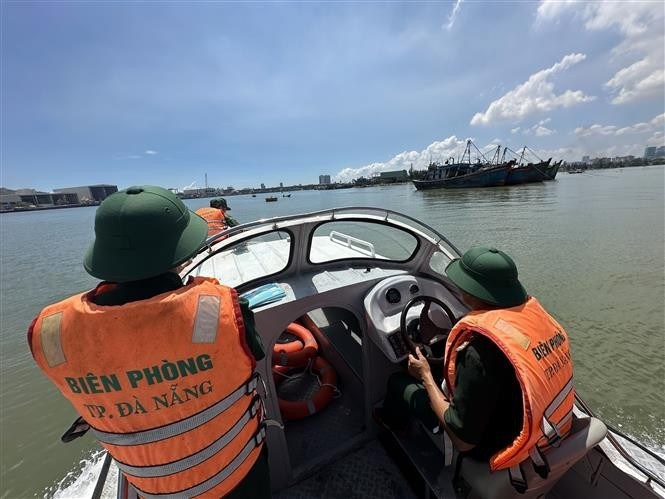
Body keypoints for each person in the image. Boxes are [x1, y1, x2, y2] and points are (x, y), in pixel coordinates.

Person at [28, 186, 270, 498]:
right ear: (182, 251)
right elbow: (257, 353)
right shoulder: (220, 306)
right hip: (239, 477)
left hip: (150, 488)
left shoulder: (48, 330)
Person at [381, 246, 574, 478]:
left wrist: (425, 376)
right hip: (535, 426)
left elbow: (463, 440)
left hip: (489, 446)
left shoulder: (477, 353)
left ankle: (392, 426)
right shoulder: (535, 322)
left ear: (470, 294)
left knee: (398, 381)